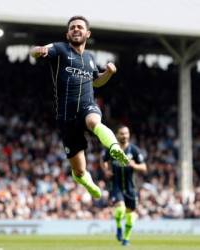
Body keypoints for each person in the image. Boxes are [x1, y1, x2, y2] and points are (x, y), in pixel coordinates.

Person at [30, 16, 129, 199]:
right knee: (79, 170)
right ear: (67, 33)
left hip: (87, 105)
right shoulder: (59, 49)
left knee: (93, 120)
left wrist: (108, 73)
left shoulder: (90, 58)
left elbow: (97, 83)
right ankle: (86, 181)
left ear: (87, 33)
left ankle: (114, 147)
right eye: (72, 27)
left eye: (80, 27)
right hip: (66, 116)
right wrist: (38, 50)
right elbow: (34, 51)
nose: (76, 29)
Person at [102, 125, 147, 246]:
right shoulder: (113, 149)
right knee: (120, 208)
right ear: (117, 135)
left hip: (130, 187)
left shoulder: (134, 150)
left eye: (126, 133)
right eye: (122, 133)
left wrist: (134, 166)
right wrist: (106, 171)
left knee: (130, 215)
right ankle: (118, 227)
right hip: (116, 185)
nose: (124, 135)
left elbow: (144, 167)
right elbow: (104, 160)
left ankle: (126, 239)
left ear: (129, 134)